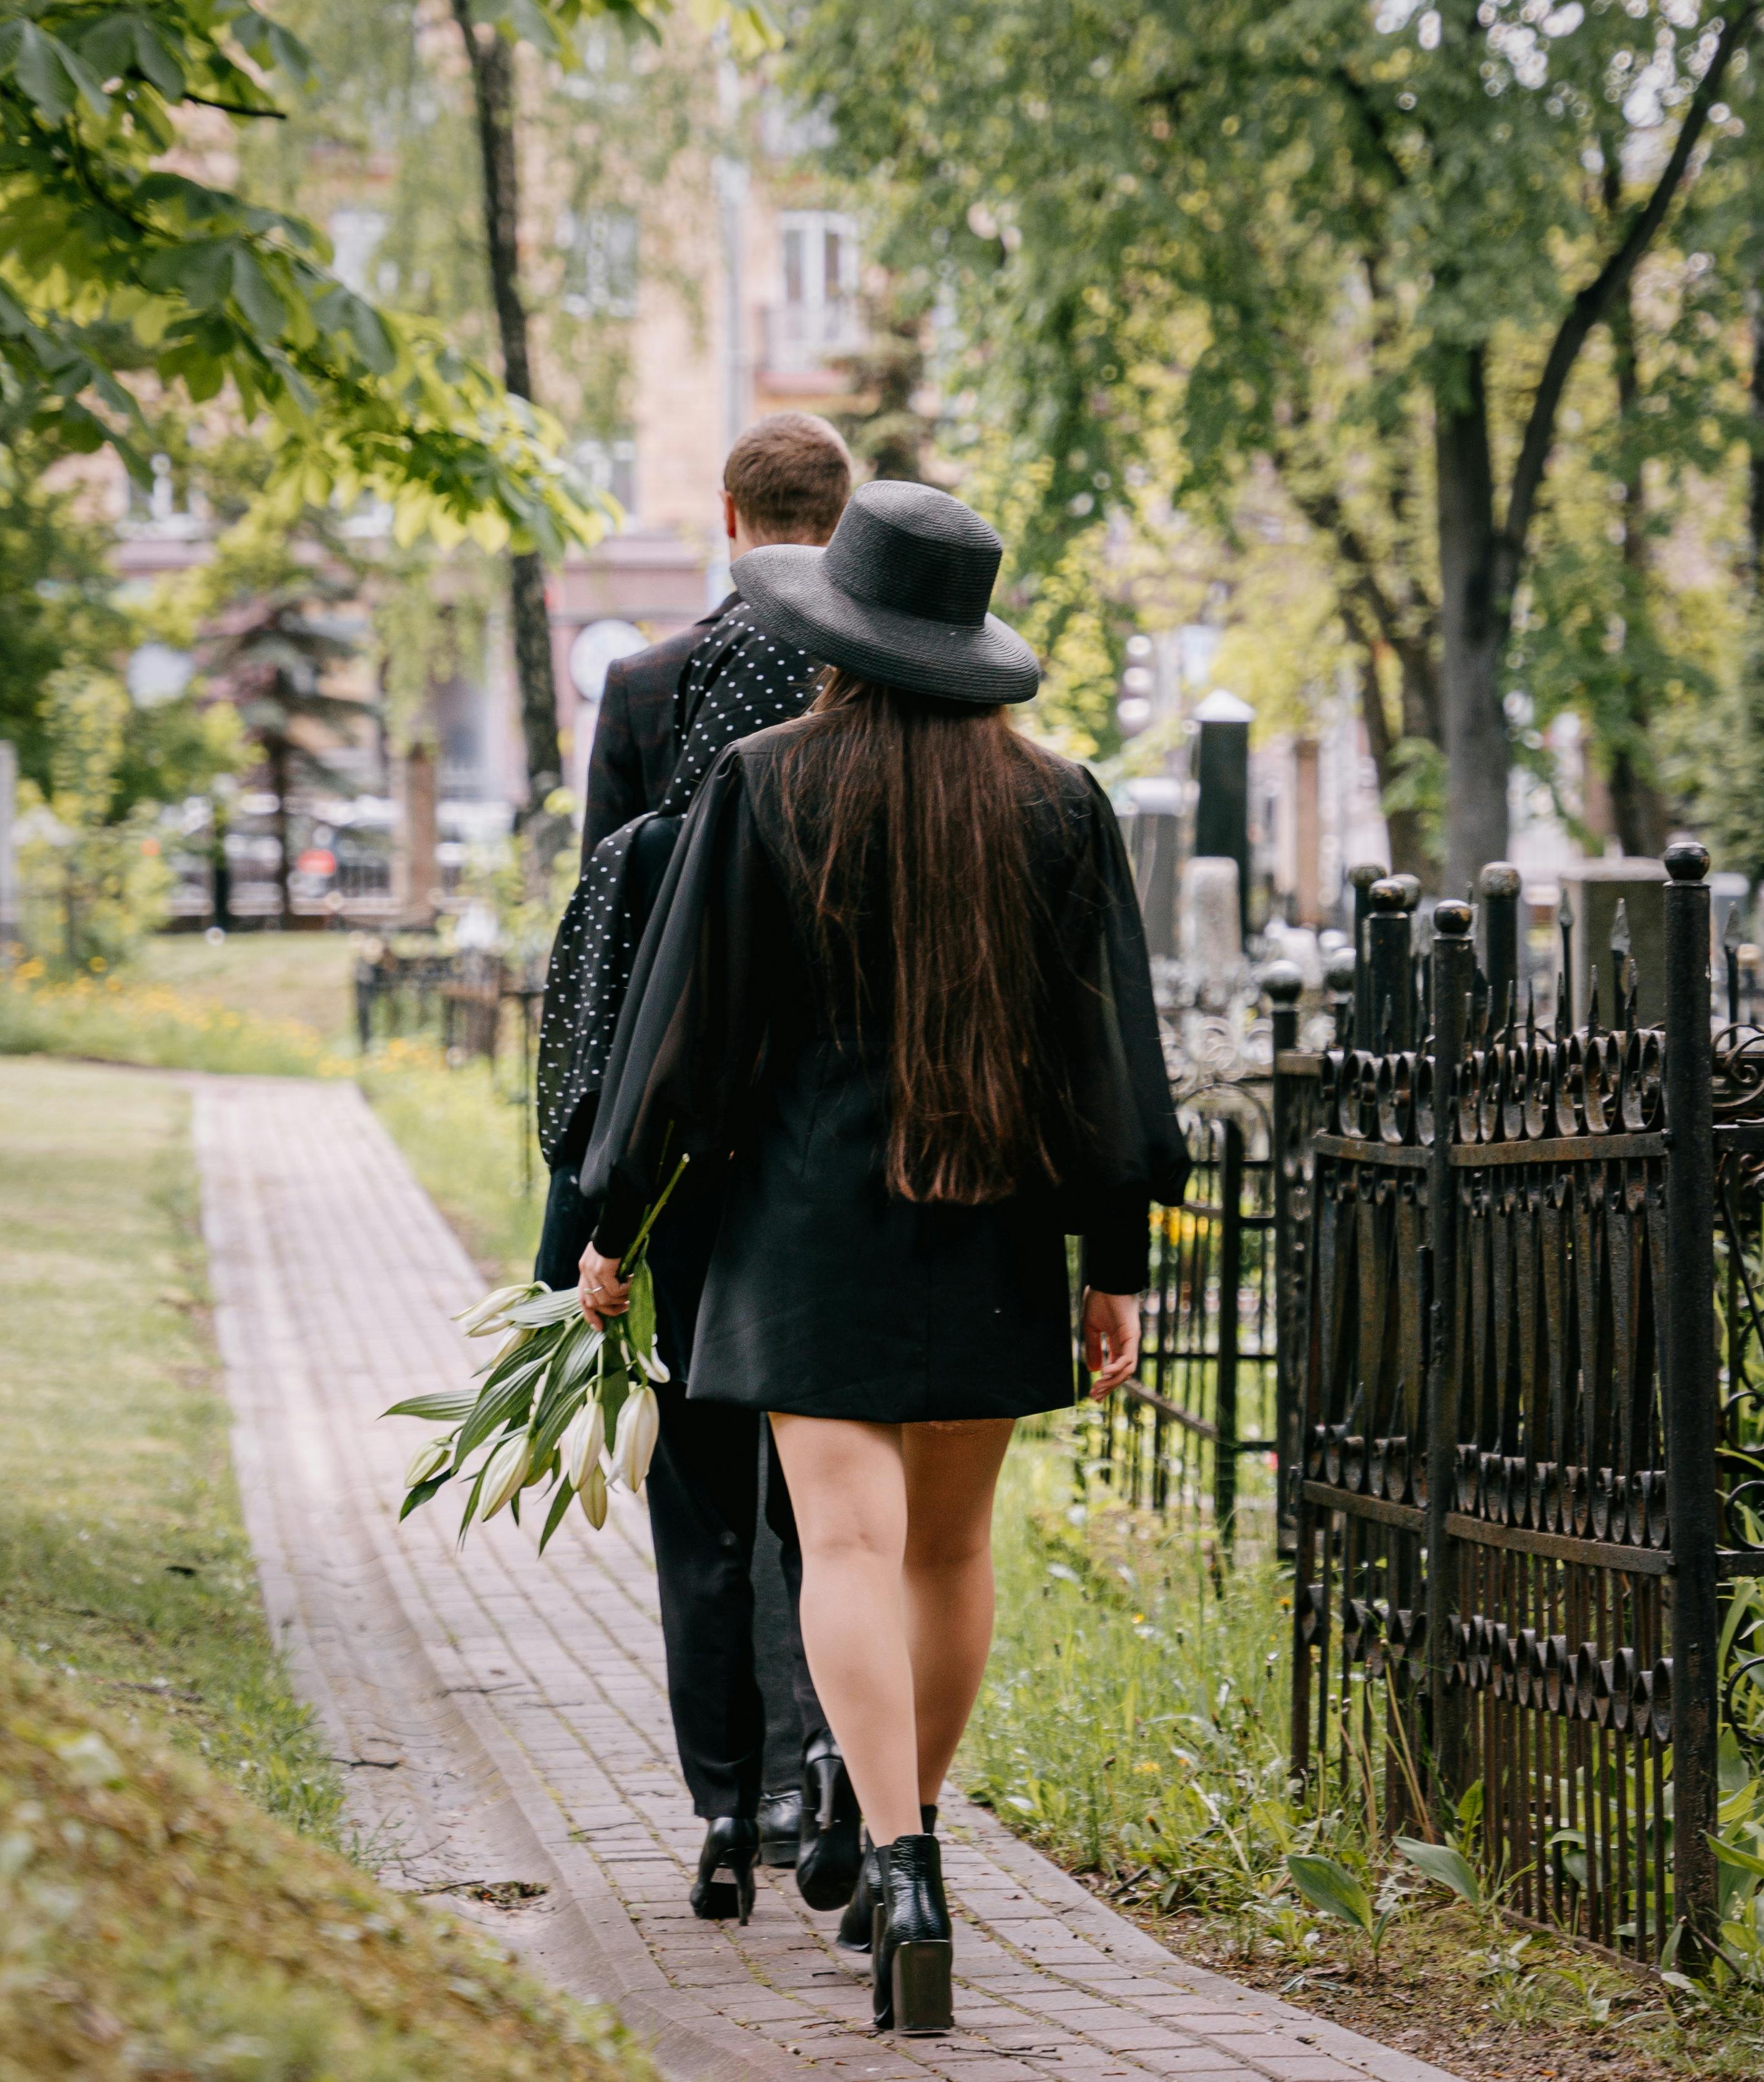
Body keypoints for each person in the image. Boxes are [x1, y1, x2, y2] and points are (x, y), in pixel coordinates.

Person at [574, 480, 1183, 2035]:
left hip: (802, 1223)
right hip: (990, 1217)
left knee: (842, 1546)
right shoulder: (1058, 802)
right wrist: (1114, 1258)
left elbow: (683, 1028)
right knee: (950, 1551)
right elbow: (1110, 1053)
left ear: (832, 629)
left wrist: (613, 1211)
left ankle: (900, 1866)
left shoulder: (763, 784)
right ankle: (893, 1806)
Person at [532, 412, 866, 1928]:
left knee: (704, 1507)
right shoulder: (876, 692)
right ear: (840, 518)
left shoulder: (648, 687)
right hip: (833, 1154)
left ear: (728, 517)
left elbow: (611, 965)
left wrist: (593, 1205)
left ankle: (727, 1809)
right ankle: (817, 1776)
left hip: (677, 1163)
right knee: (829, 1498)